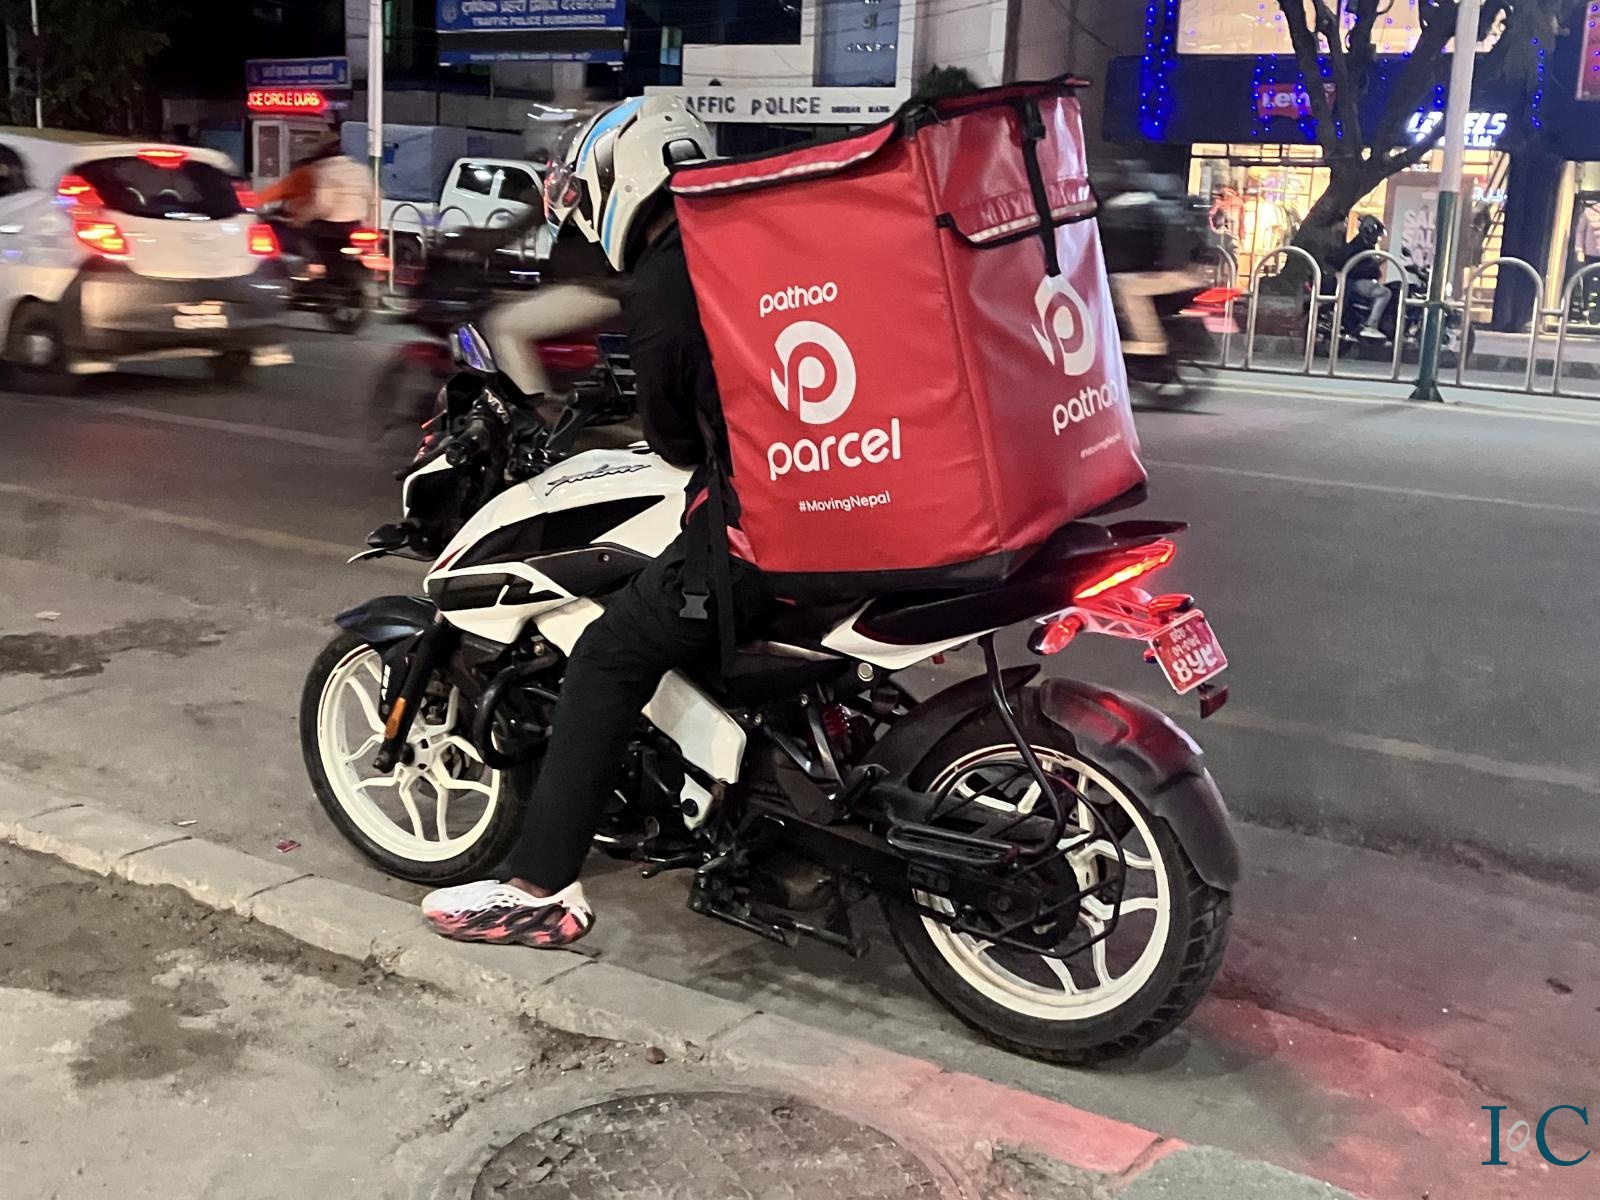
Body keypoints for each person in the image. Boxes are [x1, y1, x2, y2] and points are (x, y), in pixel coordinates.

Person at [418, 97, 774, 948]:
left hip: (764, 525)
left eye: (586, 190)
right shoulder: (749, 244)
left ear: (620, 181)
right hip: (851, 499)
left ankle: (539, 888)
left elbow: (677, 442)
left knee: (609, 656)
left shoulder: (662, 278)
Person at [259, 132, 373, 273]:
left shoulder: (323, 170)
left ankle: (313, 265)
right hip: (356, 224)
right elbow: (374, 198)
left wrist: (301, 219)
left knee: (301, 237)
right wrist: (369, 222)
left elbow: (323, 202)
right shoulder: (361, 170)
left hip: (330, 224)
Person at [1327, 215, 1390, 341]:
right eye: (1377, 236)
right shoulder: (1360, 246)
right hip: (1354, 282)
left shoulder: (1361, 245)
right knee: (1385, 293)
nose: (1377, 239)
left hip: (1351, 282)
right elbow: (1359, 267)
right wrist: (1375, 265)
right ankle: (1371, 325)